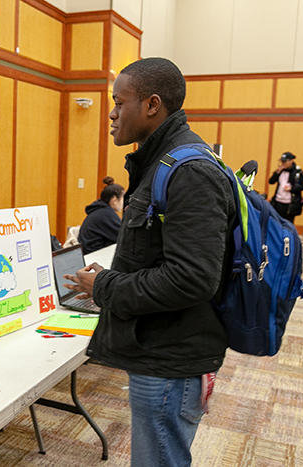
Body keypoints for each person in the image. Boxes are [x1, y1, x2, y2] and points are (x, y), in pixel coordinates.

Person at [63, 58, 236, 467]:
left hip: (170, 363)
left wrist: (103, 287)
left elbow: (193, 278)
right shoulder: (161, 162)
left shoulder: (189, 170)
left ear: (152, 104)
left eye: (119, 102)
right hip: (161, 352)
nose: (111, 112)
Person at [77, 176, 124, 254]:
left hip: (87, 254)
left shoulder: (100, 211)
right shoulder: (106, 214)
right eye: (123, 198)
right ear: (115, 200)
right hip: (94, 257)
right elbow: (124, 236)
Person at [268, 152, 303, 223]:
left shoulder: (297, 172)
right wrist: (276, 173)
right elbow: (271, 182)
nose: (283, 163)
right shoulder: (280, 171)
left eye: (285, 161)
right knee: (277, 222)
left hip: (290, 203)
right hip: (278, 201)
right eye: (282, 161)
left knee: (288, 223)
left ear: (291, 161)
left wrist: (291, 189)